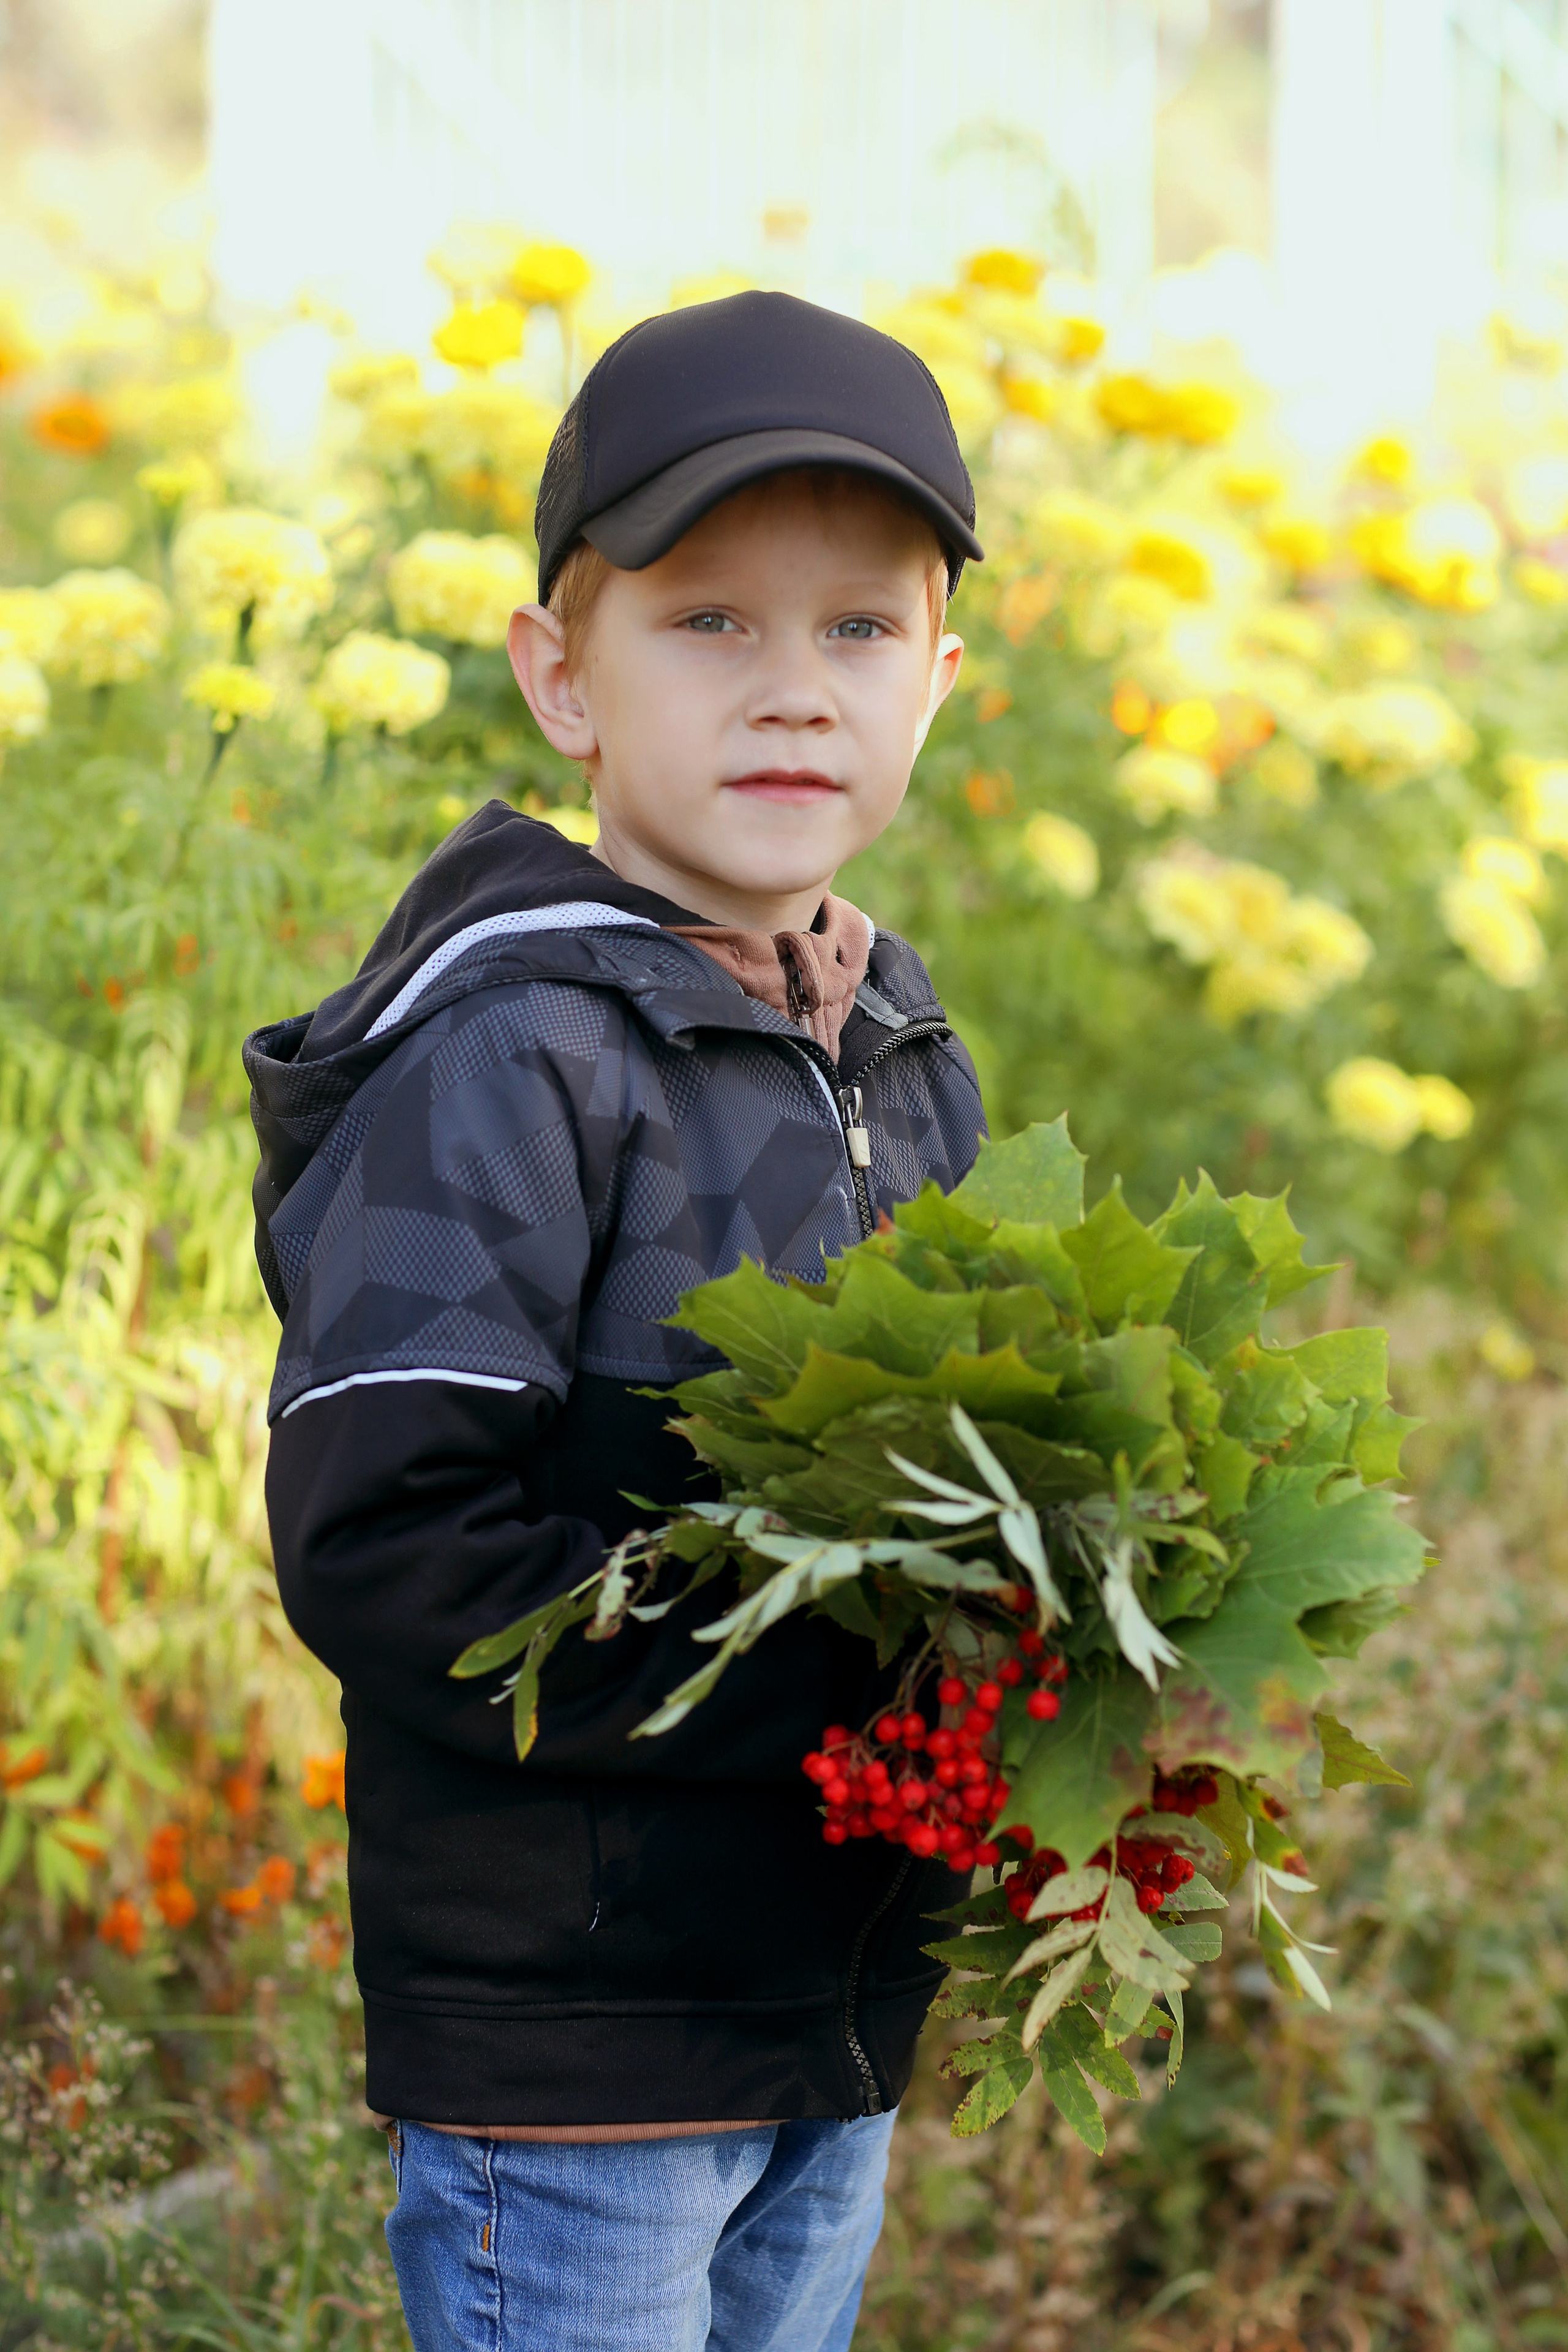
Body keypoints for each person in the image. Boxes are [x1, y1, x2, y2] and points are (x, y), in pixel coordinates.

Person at [246, 290, 987, 2352]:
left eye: (858, 628)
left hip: (832, 2004)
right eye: (709, 621)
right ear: (562, 676)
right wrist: (820, 1694)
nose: (794, 690)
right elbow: (394, 1548)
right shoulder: (511, 1058)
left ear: (939, 683)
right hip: (583, 2049)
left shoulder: (903, 1047)